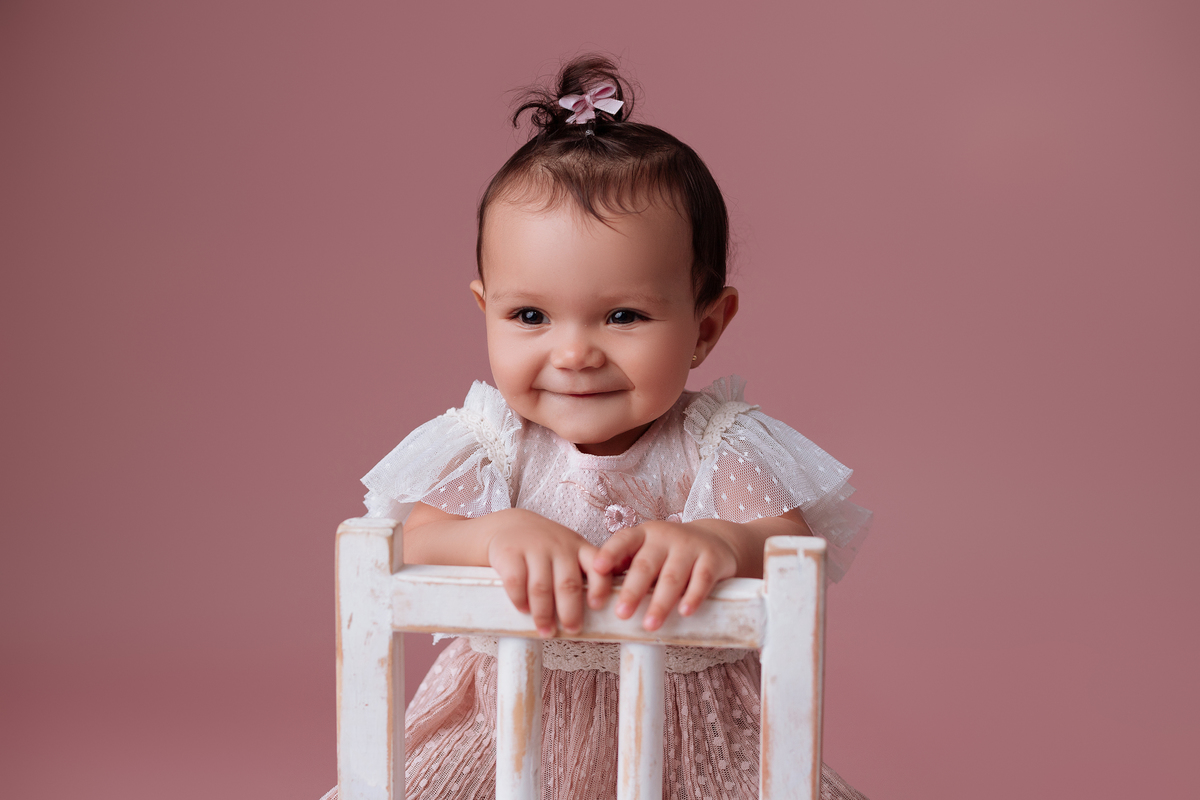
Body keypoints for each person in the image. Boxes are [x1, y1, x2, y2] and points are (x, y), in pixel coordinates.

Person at [323, 55, 872, 800]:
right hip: (507, 743)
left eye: (623, 315)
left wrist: (719, 542)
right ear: (485, 310)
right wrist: (494, 534)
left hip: (689, 756)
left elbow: (788, 544)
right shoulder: (491, 445)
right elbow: (415, 541)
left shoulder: (715, 444)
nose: (574, 353)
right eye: (530, 315)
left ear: (706, 327)